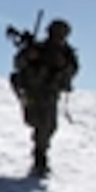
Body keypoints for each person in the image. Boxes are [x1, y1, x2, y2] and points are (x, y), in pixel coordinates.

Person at [11, 18, 79, 176]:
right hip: (33, 90)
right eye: (56, 33)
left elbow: (73, 69)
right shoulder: (38, 47)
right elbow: (18, 63)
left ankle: (40, 156)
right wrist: (29, 57)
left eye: (61, 34)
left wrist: (63, 65)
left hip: (50, 93)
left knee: (48, 126)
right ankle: (39, 155)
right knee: (36, 121)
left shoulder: (66, 53)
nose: (58, 37)